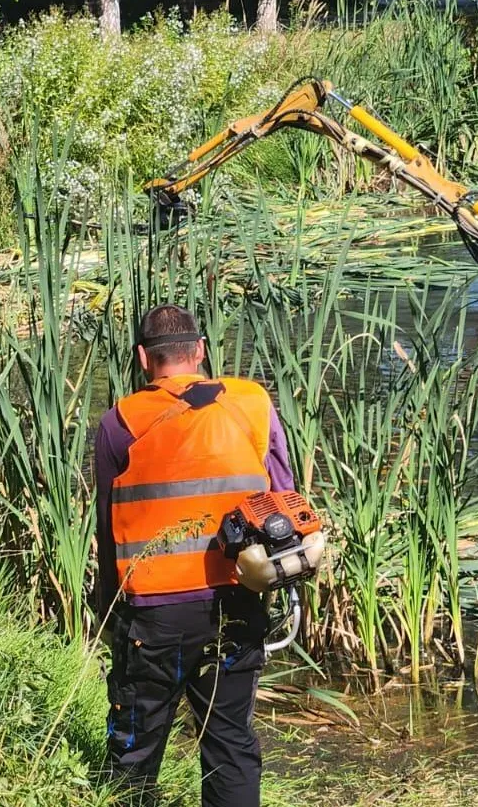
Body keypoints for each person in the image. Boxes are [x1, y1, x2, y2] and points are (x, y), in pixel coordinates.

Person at [92, 304, 296, 807]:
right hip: (237, 601)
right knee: (230, 745)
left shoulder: (120, 423)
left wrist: (106, 608)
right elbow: (286, 496)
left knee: (135, 752)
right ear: (200, 352)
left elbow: (107, 528)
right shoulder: (252, 404)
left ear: (144, 358)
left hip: (154, 618)